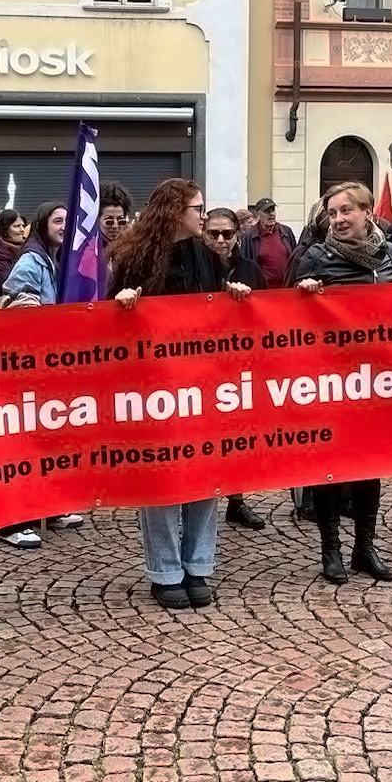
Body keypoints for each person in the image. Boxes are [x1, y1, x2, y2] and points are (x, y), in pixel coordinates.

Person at [109, 178, 252, 608]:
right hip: (154, 388)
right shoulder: (133, 259)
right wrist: (124, 302)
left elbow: (218, 316)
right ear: (173, 211)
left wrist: (233, 296)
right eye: (197, 208)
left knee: (205, 475)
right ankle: (165, 569)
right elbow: (105, 322)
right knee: (162, 476)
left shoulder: (208, 256)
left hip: (203, 386)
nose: (203, 216)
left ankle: (199, 565)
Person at [294, 181, 392, 584]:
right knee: (332, 465)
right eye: (332, 213)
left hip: (378, 380)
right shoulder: (315, 256)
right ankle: (330, 550)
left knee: (371, 464)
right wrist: (304, 293)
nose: (338, 219)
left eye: (346, 211)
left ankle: (364, 549)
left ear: (368, 212)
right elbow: (285, 320)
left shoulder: (390, 255)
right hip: (333, 380)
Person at [0, 200, 85, 547]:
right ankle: (13, 520)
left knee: (53, 437)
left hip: (56, 363)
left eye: (69, 220)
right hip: (29, 363)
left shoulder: (62, 259)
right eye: (58, 220)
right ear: (43, 224)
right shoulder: (32, 260)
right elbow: (16, 300)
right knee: (25, 442)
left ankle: (52, 505)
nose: (65, 225)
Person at [203, 207, 268, 531]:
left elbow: (269, 314)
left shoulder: (251, 270)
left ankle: (237, 501)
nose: (220, 240)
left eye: (227, 234)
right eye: (213, 233)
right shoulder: (195, 269)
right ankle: (201, 499)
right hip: (200, 367)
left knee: (237, 438)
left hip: (239, 366)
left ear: (237, 235)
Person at [239, 196, 296, 289]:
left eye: (272, 210)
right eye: (266, 211)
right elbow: (245, 264)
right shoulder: (250, 236)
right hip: (263, 291)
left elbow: (295, 258)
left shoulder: (286, 231)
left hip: (286, 288)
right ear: (258, 214)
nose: (271, 214)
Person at [0, 208, 27, 299]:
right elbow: (7, 283)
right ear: (4, 229)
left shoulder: (26, 249)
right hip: (2, 304)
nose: (22, 229)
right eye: (17, 226)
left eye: (23, 226)